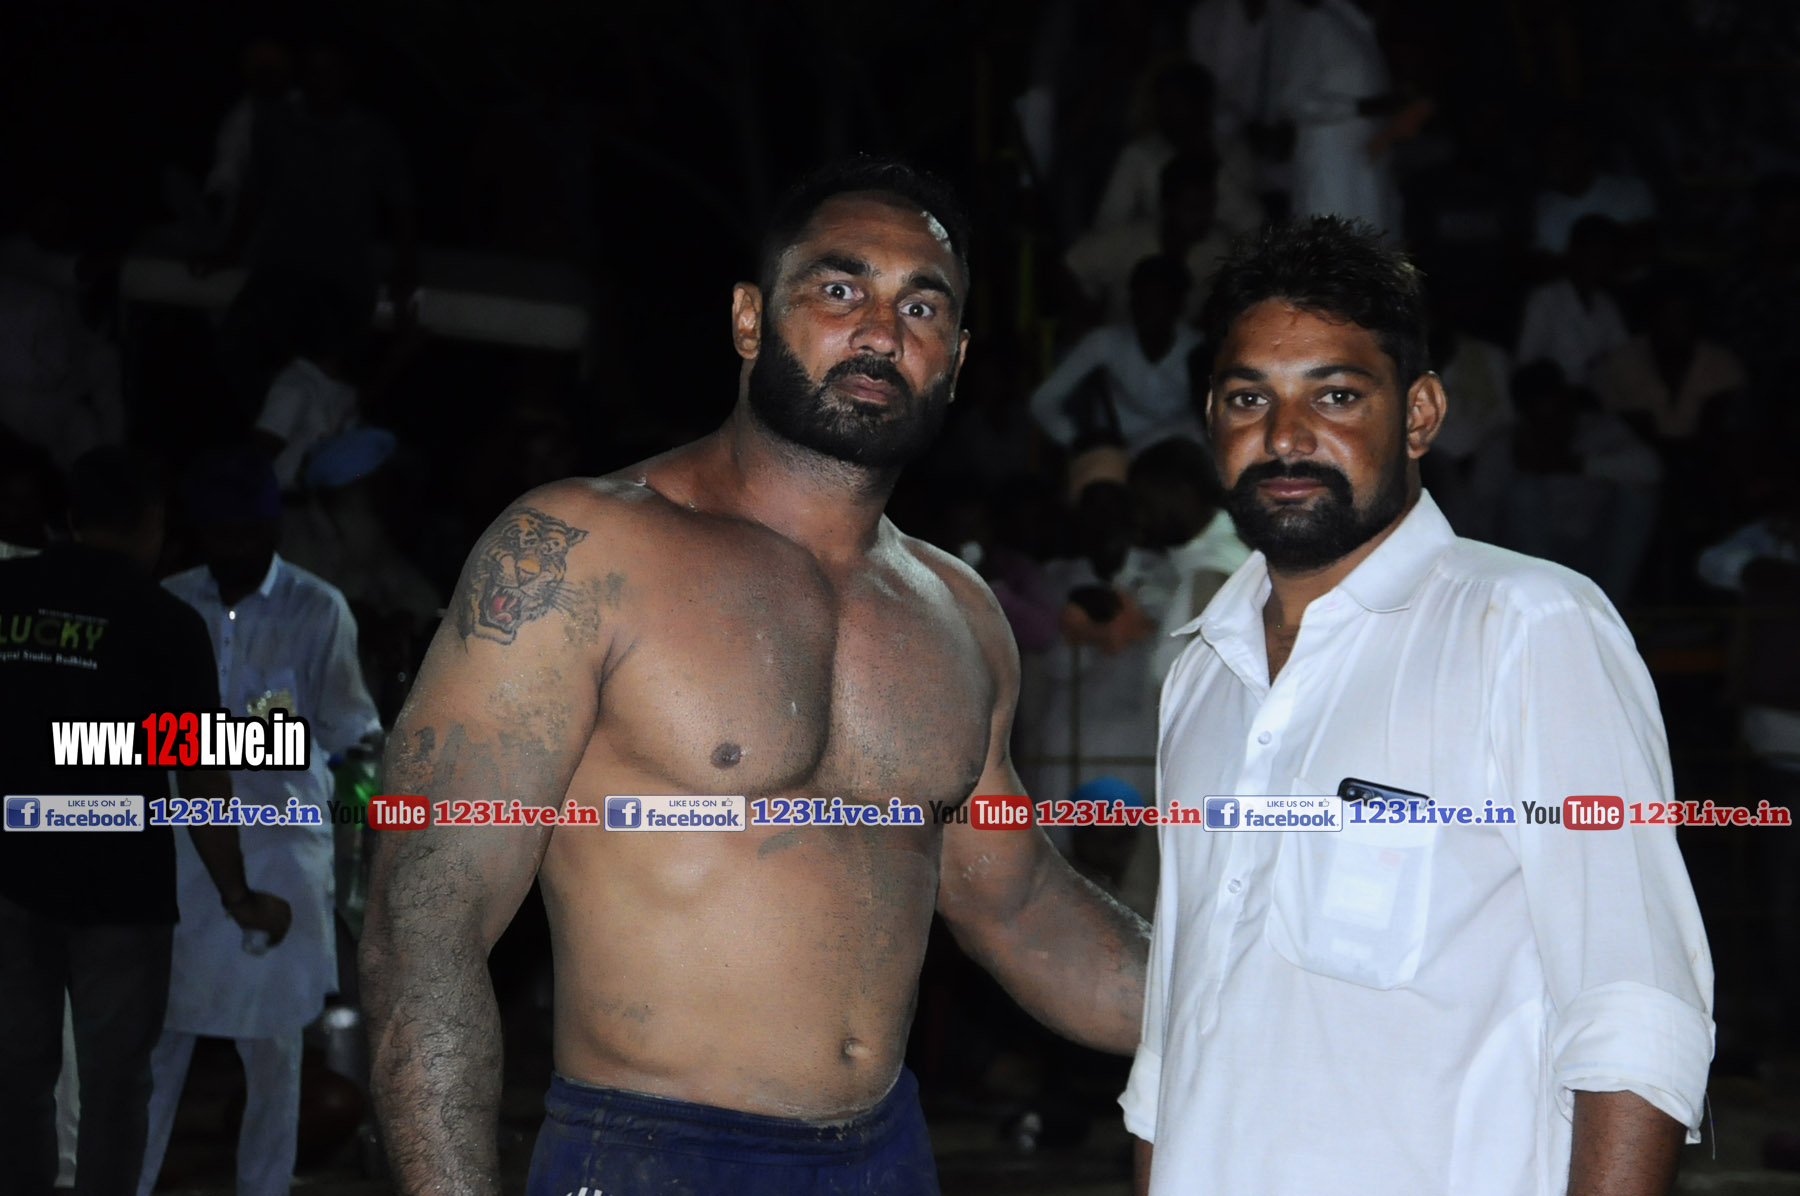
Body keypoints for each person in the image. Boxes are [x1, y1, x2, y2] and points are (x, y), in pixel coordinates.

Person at [360, 158, 1150, 1196]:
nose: (882, 332)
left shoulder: (961, 613)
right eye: (840, 289)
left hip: (888, 1155)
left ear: (955, 359)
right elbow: (426, 918)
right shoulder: (581, 552)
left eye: (922, 307)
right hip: (649, 1153)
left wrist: (1251, 993)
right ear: (748, 319)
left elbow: (1018, 904)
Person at [1124, 217, 1713, 1195]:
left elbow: (1635, 1004)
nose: (1285, 436)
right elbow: (1171, 1042)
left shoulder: (1527, 626)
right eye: (1248, 398)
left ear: (1422, 413)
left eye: (1336, 394)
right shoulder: (1203, 668)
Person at [0, 447, 290, 1196]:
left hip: (10, 878)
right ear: (154, 524)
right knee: (115, 1086)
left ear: (70, 518)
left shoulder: (6, 593)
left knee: (16, 1076)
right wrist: (237, 895)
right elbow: (199, 771)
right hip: (118, 892)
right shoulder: (165, 622)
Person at [137, 449, 381, 1196]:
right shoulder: (170, 602)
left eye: (249, 531)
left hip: (280, 851)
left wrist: (367, 827)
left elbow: (349, 729)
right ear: (201, 532)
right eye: (222, 531)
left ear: (274, 528)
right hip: (183, 845)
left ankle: (265, 1189)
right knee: (160, 1043)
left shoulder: (318, 608)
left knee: (275, 1054)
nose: (236, 545)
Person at [1031, 255, 1206, 453]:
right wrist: (1077, 440)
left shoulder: (1199, 347)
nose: (1149, 309)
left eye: (1158, 300)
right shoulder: (1104, 342)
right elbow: (1043, 400)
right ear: (1132, 303)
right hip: (1124, 456)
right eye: (1143, 300)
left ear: (1178, 306)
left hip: (1186, 455)